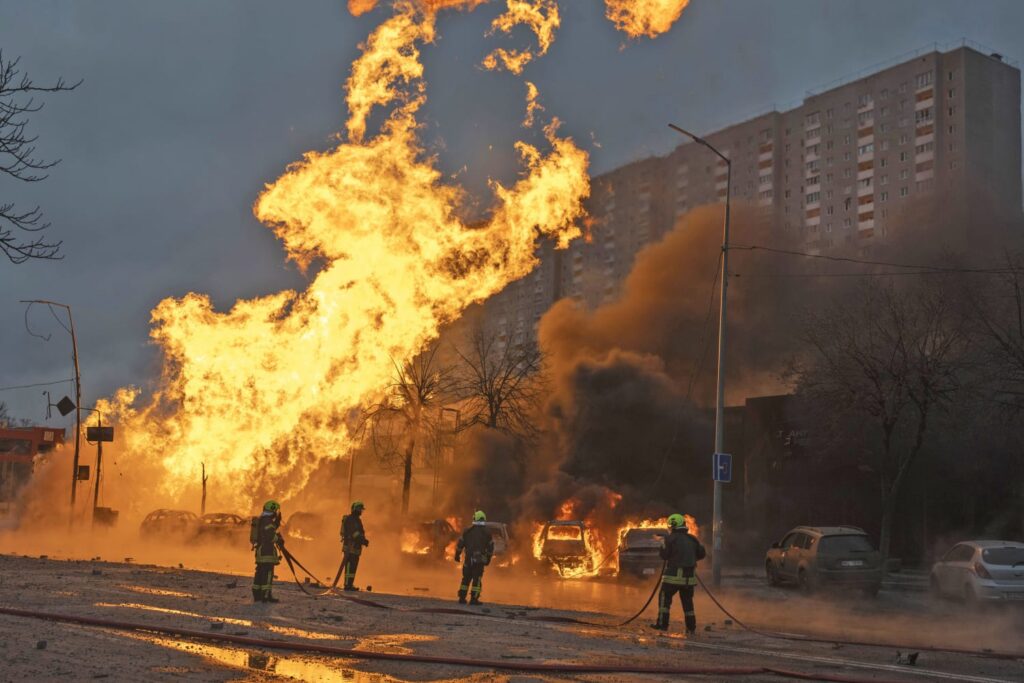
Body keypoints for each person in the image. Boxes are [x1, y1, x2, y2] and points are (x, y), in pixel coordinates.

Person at [650, 513, 706, 634]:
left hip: (672, 578)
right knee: (688, 604)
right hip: (689, 579)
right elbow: (702, 554)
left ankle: (662, 625)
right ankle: (691, 628)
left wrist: (662, 542)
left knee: (664, 600)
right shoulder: (692, 539)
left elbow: (664, 555)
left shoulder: (670, 539)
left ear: (672, 526)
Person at [454, 510, 494, 605]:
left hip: (468, 560)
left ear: (474, 519)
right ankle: (474, 599)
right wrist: (488, 559)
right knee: (477, 580)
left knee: (466, 579)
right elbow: (490, 548)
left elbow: (460, 545)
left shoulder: (467, 531)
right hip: (479, 561)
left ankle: (462, 598)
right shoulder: (487, 533)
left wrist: (457, 555)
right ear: (483, 519)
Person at [251, 500, 284, 603]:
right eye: (276, 511)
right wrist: (278, 540)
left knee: (260, 572)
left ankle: (257, 595)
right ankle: (266, 595)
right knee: (268, 573)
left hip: (261, 551)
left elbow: (270, 529)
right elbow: (270, 535)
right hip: (267, 551)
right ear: (273, 511)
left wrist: (277, 522)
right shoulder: (267, 521)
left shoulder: (263, 519)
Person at [340, 500, 369, 591]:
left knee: (353, 567)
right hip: (350, 547)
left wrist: (363, 540)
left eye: (361, 509)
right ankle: (347, 585)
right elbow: (354, 533)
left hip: (355, 548)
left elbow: (359, 532)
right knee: (349, 567)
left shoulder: (357, 520)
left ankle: (350, 584)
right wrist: (362, 540)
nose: (361, 511)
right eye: (359, 509)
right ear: (355, 509)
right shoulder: (350, 519)